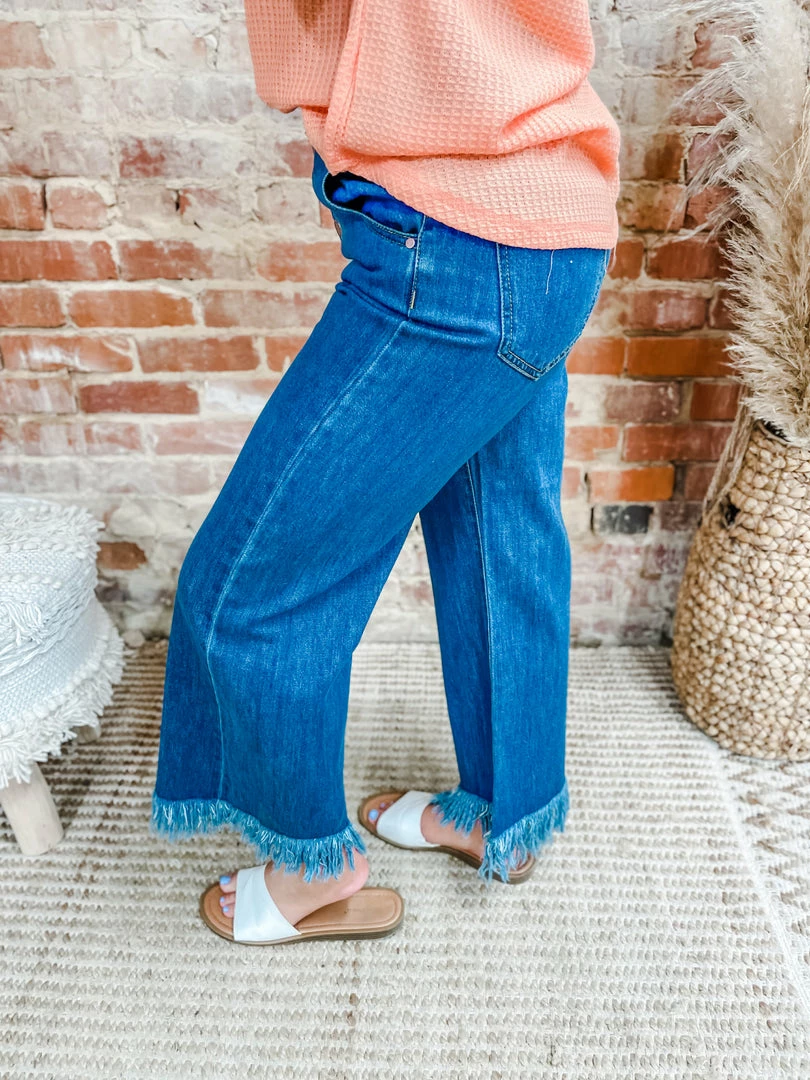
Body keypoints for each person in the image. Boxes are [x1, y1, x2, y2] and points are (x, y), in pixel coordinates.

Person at [150, 0, 620, 946]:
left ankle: (309, 868)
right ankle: (503, 814)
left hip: (450, 252)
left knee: (249, 589)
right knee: (500, 544)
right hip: (552, 223)